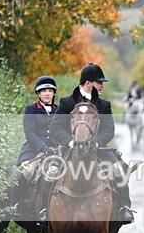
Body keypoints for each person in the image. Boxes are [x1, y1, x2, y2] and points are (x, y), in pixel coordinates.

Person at [46, 63, 134, 224]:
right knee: (50, 171)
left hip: (97, 150)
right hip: (70, 149)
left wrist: (97, 143)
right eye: (99, 82)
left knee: (118, 170)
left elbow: (109, 129)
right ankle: (44, 210)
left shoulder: (104, 104)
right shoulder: (67, 102)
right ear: (88, 83)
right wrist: (70, 141)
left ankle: (124, 207)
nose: (102, 86)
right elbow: (56, 127)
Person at [8, 76, 58, 215]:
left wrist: (56, 147)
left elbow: (61, 131)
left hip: (55, 150)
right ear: (38, 93)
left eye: (50, 91)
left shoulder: (59, 110)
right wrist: (43, 148)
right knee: (27, 171)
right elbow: (29, 133)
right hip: (34, 149)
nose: (47, 93)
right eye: (43, 91)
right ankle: (15, 204)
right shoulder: (31, 109)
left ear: (54, 93)